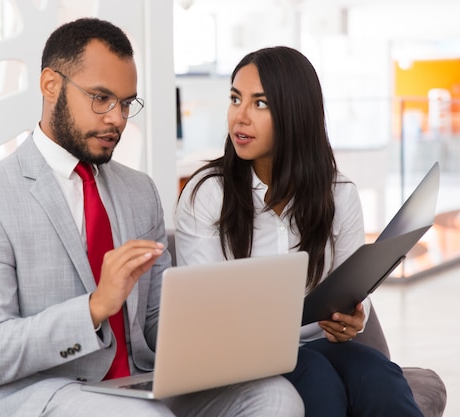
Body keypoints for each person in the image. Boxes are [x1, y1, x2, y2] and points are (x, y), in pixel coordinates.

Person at [0, 18, 303, 417]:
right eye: (101, 98)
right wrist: (95, 307)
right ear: (51, 85)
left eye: (126, 103)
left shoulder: (139, 191)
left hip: (134, 384)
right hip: (42, 393)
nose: (117, 118)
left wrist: (225, 329)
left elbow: (155, 321)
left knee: (275, 396)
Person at [174, 46, 425, 417]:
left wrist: (355, 316)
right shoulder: (206, 194)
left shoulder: (338, 193)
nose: (239, 117)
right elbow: (208, 316)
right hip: (243, 357)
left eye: (260, 104)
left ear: (295, 113)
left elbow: (355, 288)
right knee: (316, 376)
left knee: (380, 376)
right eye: (235, 99)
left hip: (319, 344)